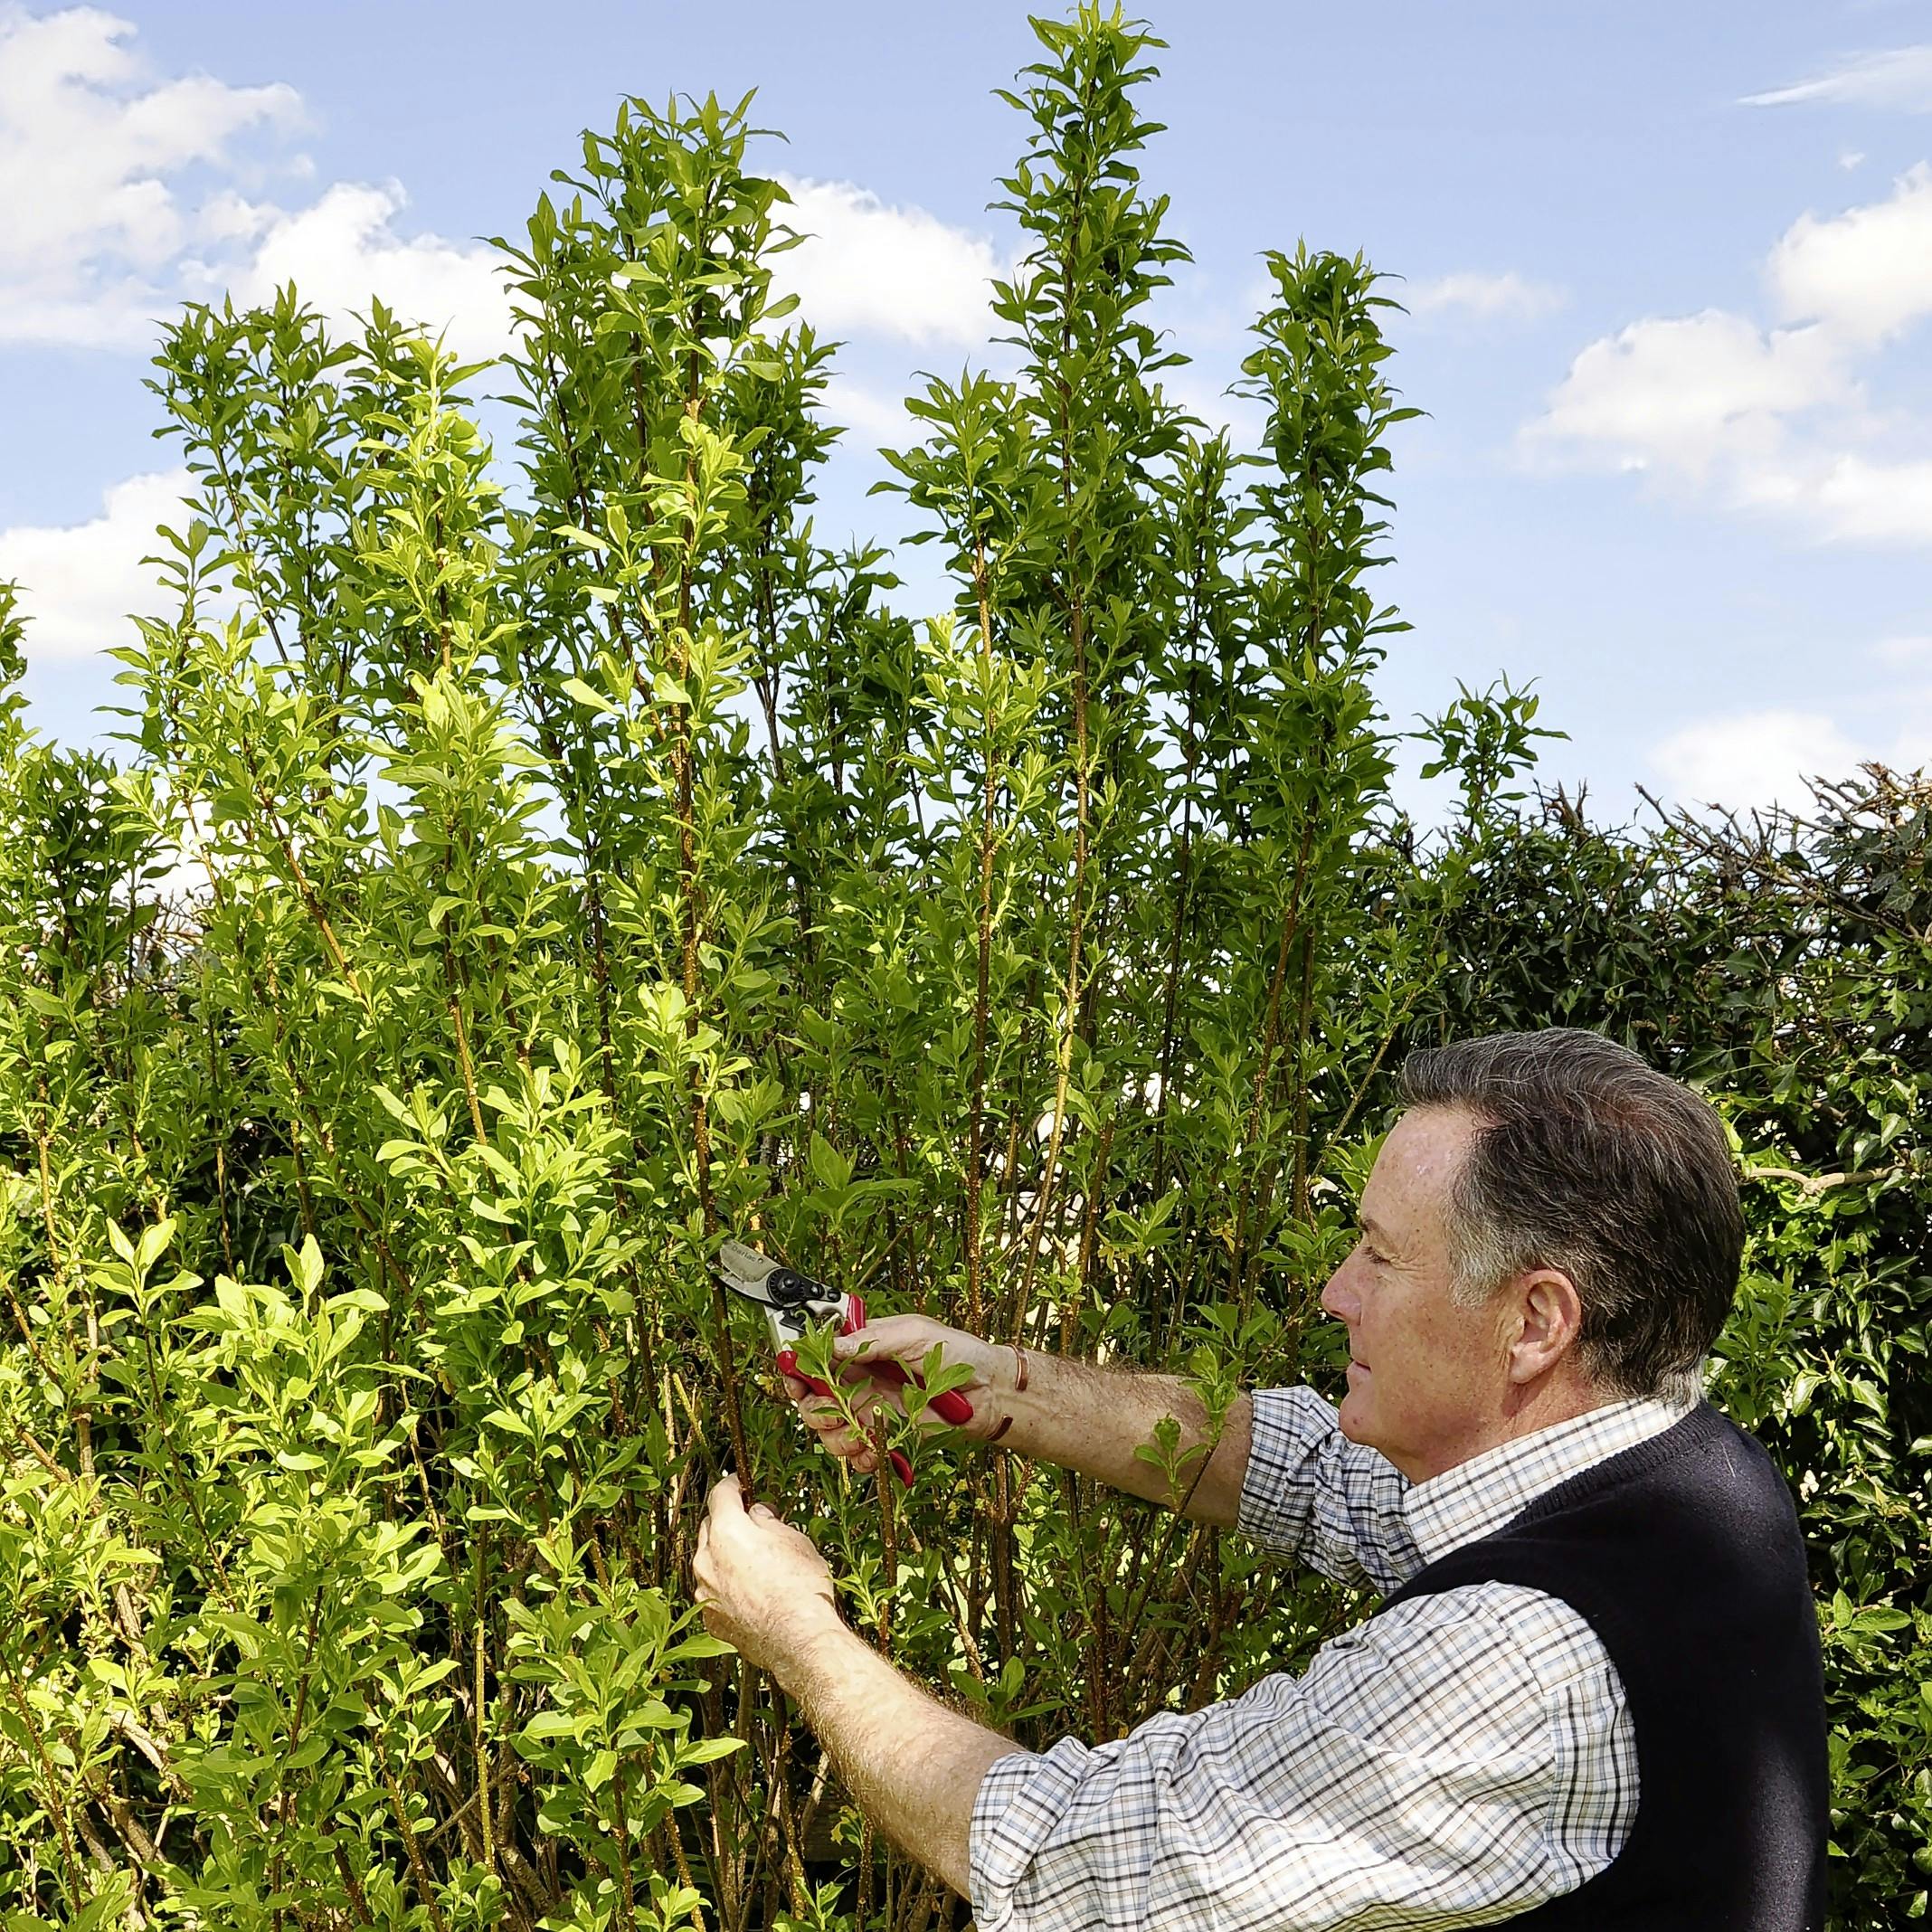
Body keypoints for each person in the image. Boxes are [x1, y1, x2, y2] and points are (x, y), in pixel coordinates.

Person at [691, 1028, 1828, 1929]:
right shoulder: (1673, 1463)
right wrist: (1003, 1389)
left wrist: (797, 1633)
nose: (1336, 1292)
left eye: (1380, 1257)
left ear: (1535, 1320)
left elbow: (1065, 1864)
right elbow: (1306, 1468)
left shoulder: (1510, 1661)